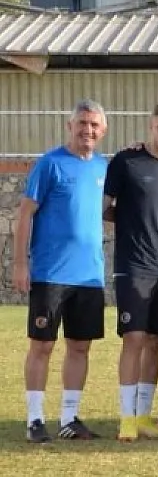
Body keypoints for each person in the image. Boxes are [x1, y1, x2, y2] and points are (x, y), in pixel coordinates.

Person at [15, 100, 109, 442]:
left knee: (80, 347)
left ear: (103, 130)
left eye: (94, 124)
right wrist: (20, 263)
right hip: (51, 274)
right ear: (70, 126)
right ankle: (35, 419)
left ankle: (69, 418)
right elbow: (25, 214)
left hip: (89, 276)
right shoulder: (50, 163)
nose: (88, 130)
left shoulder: (103, 167)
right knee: (42, 346)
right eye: (82, 123)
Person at [104, 100, 158, 441]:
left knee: (157, 340)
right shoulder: (127, 162)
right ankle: (126, 418)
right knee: (134, 339)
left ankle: (142, 416)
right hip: (134, 265)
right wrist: (130, 222)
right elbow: (104, 208)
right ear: (150, 127)